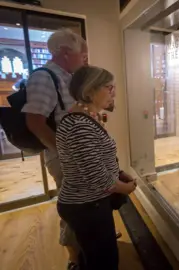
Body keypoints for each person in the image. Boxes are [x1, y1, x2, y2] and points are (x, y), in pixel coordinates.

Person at [56, 65, 137, 270]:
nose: (114, 93)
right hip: (86, 206)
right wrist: (125, 187)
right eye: (109, 87)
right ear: (90, 90)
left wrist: (118, 173)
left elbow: (95, 160)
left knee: (95, 254)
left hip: (89, 203)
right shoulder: (79, 125)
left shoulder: (84, 119)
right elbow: (97, 178)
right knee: (103, 261)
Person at [21, 28, 87, 269]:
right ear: (65, 52)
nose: (84, 59)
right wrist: (64, 153)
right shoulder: (44, 76)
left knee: (84, 204)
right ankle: (74, 258)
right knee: (72, 207)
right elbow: (34, 121)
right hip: (65, 158)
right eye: (82, 54)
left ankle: (86, 245)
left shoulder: (66, 76)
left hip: (78, 155)